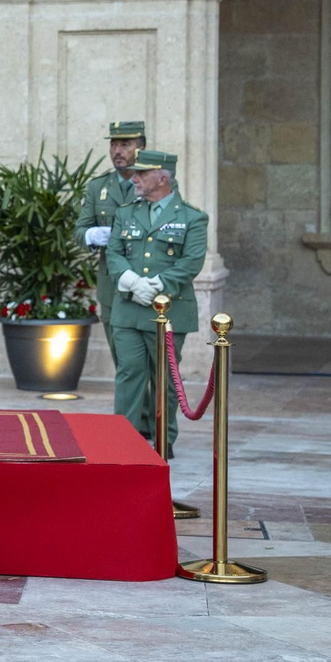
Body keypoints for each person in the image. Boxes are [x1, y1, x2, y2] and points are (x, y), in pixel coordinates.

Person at [105, 149, 208, 455]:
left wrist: (159, 285)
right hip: (128, 308)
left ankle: (165, 440)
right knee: (129, 372)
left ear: (162, 177)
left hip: (169, 310)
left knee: (164, 377)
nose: (134, 178)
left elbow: (192, 261)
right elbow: (114, 252)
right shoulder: (125, 212)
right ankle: (123, 440)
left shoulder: (192, 217)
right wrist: (131, 282)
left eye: (142, 174)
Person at [75, 121, 144, 357]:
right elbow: (79, 231)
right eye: (114, 144)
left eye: (125, 144)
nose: (117, 151)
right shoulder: (98, 186)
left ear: (141, 148)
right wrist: (93, 235)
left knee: (146, 362)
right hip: (111, 285)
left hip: (144, 281)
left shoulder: (153, 182)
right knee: (121, 360)